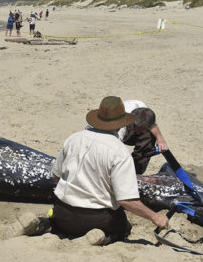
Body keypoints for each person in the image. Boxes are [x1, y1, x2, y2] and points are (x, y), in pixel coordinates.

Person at [47, 96, 169, 245]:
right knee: (124, 228)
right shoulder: (120, 152)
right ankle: (100, 239)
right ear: (122, 122)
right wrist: (155, 217)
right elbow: (126, 200)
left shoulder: (73, 139)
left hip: (62, 212)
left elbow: (56, 176)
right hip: (96, 219)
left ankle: (45, 224)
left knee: (60, 223)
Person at [118, 100, 169, 174]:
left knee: (149, 135)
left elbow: (151, 123)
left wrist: (160, 138)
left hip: (130, 125)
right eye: (139, 130)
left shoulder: (141, 107)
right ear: (132, 125)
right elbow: (115, 150)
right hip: (106, 135)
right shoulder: (119, 128)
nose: (139, 133)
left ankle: (136, 172)